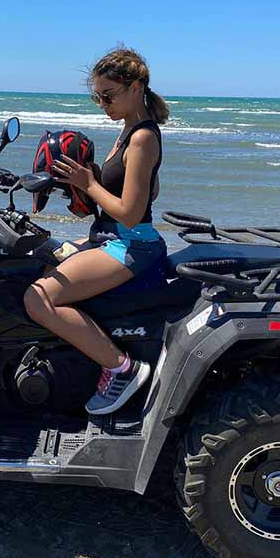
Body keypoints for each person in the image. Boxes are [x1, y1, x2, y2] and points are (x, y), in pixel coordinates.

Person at [23, 48, 169, 415]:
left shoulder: (142, 138)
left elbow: (133, 214)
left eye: (108, 95)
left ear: (135, 88)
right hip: (108, 236)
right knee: (39, 262)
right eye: (97, 96)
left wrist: (88, 183)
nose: (102, 103)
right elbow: (150, 190)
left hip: (131, 244)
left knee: (37, 299)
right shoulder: (128, 130)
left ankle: (121, 367)